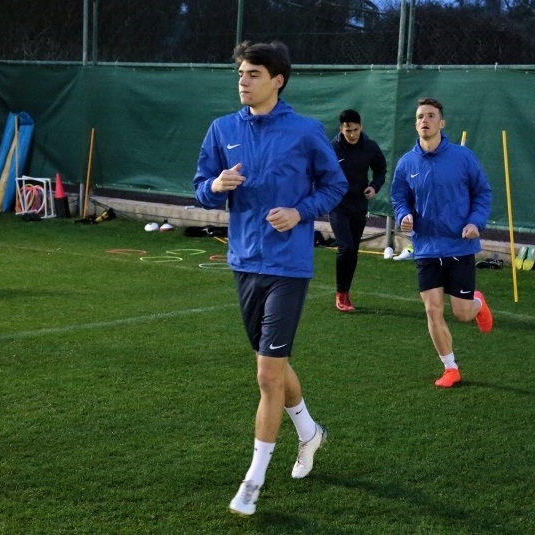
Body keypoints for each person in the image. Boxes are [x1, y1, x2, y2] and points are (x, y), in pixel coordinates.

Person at [193, 40, 347, 517]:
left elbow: (335, 185)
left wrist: (300, 212)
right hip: (243, 263)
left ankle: (253, 480)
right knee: (273, 365)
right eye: (241, 73)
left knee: (266, 373)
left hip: (288, 267)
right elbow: (201, 189)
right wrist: (215, 186)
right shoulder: (222, 129)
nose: (243, 81)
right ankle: (309, 432)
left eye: (253, 73)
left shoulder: (305, 131)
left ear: (277, 80)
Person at [390, 97, 494, 388]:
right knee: (432, 310)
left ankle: (477, 303)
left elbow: (483, 193)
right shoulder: (406, 163)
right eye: (420, 116)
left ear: (442, 123)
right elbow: (399, 197)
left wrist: (475, 222)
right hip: (425, 248)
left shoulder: (463, 157)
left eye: (431, 115)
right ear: (416, 124)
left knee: (461, 313)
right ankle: (450, 368)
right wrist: (404, 215)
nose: (425, 120)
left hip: (459, 246)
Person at [329, 109, 387, 312]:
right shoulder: (332, 148)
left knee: (353, 250)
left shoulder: (370, 146)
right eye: (348, 130)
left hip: (359, 205)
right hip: (338, 206)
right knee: (345, 247)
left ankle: (346, 293)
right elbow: (320, 171)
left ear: (361, 127)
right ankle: (340, 294)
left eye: (355, 129)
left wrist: (374, 187)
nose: (352, 134)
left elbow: (381, 169)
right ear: (341, 129)